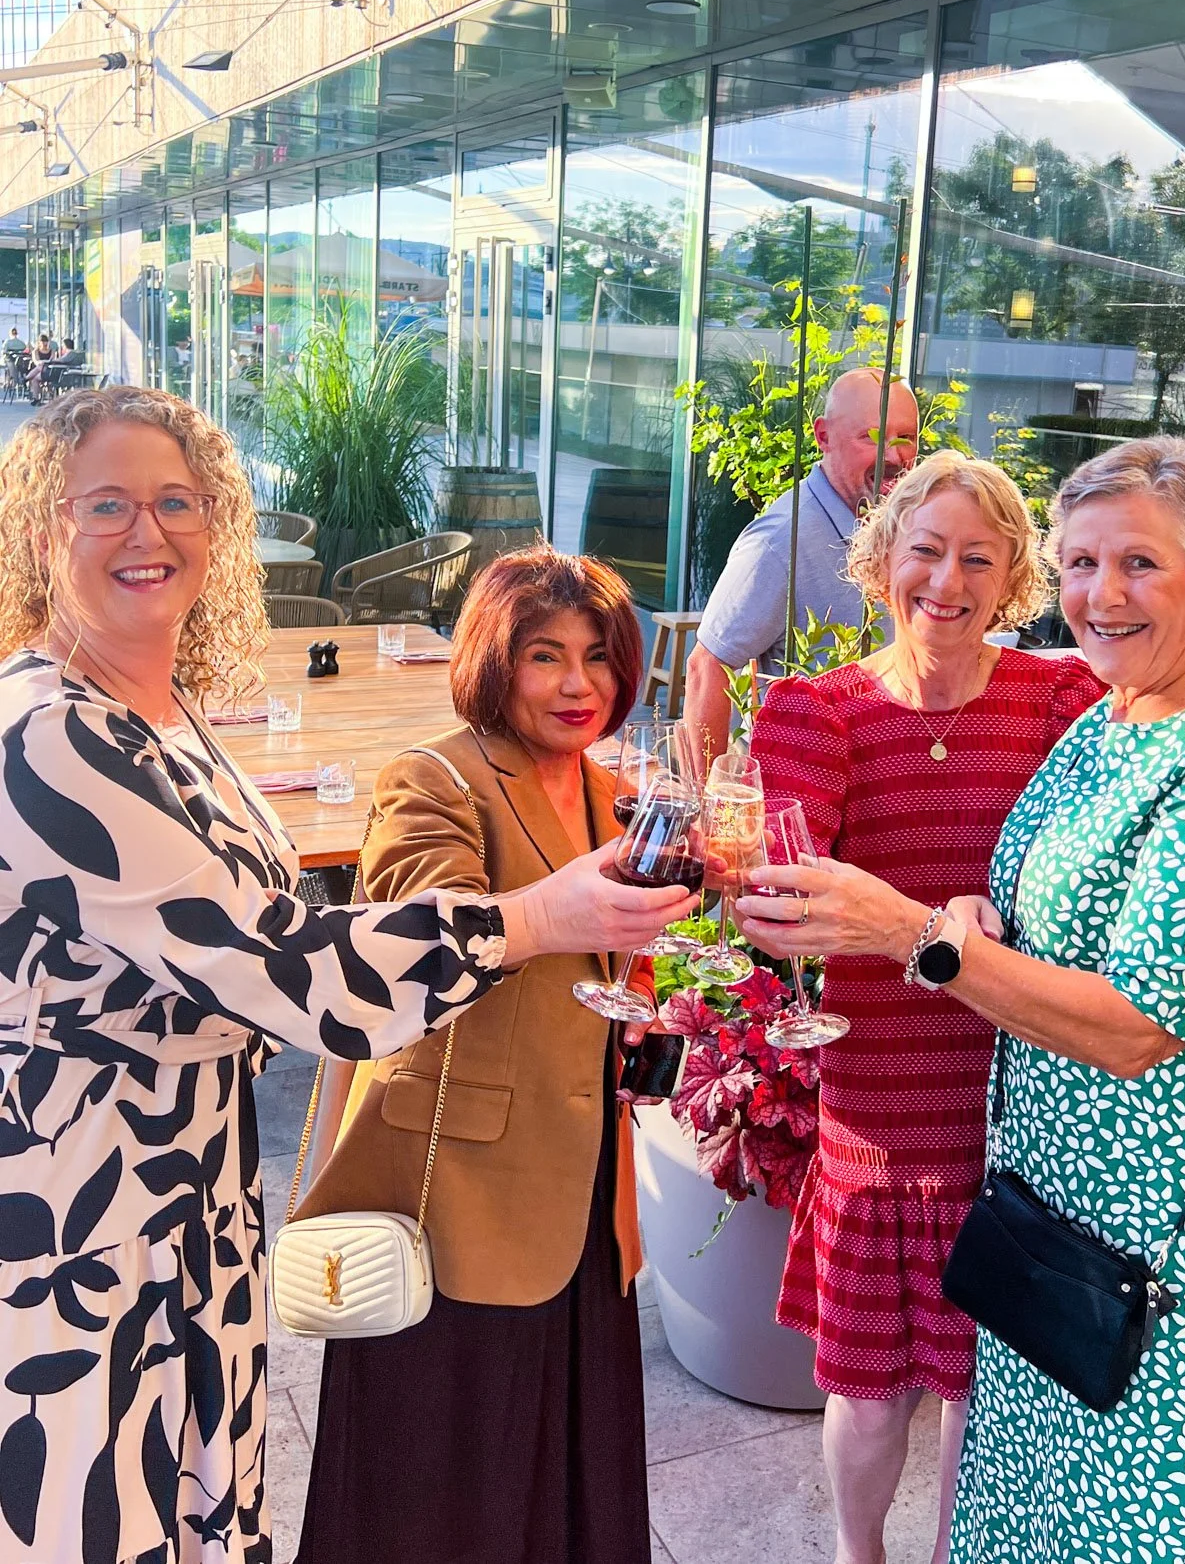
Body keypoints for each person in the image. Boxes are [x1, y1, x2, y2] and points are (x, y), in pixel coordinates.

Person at [0, 388, 696, 1564]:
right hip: (90, 1206)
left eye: (177, 501)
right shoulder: (48, 733)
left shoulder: (158, 713)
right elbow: (293, 972)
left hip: (190, 1188)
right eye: (105, 505)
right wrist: (533, 917)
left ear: (217, 528)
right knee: (98, 1511)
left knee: (191, 1503)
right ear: (38, 533)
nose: (147, 532)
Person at [737, 435, 1185, 1564]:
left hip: (1151, 1242)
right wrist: (981, 914)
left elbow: (1137, 1028)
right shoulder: (1105, 720)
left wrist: (915, 933)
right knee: (1017, 1513)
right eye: (1082, 564)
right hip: (1038, 1203)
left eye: (1138, 564)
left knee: (1135, 1527)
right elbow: (1022, 899)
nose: (1101, 594)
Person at [745, 451, 1102, 1564]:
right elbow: (782, 901)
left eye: (976, 559)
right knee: (869, 1384)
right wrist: (911, 915)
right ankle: (860, 1556)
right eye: (925, 550)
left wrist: (969, 907)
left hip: (1018, 1095)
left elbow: (1078, 880)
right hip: (882, 1101)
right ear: (880, 560)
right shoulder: (818, 713)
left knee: (978, 1387)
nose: (945, 581)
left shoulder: (1060, 699)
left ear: (1011, 582)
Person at [294, 544, 662, 1564]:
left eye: (597, 657)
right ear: (496, 662)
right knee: (435, 1490)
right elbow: (422, 929)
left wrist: (663, 1008)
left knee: (563, 1482)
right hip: (457, 1198)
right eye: (546, 656)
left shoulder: (606, 792)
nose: (577, 684)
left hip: (587, 1202)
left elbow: (602, 975)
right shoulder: (435, 777)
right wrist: (549, 913)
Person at [684, 367, 920, 763]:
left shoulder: (900, 523)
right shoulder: (780, 542)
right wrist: (712, 805)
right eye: (872, 438)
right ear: (823, 436)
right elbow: (706, 667)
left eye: (906, 438)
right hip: (799, 793)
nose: (895, 456)